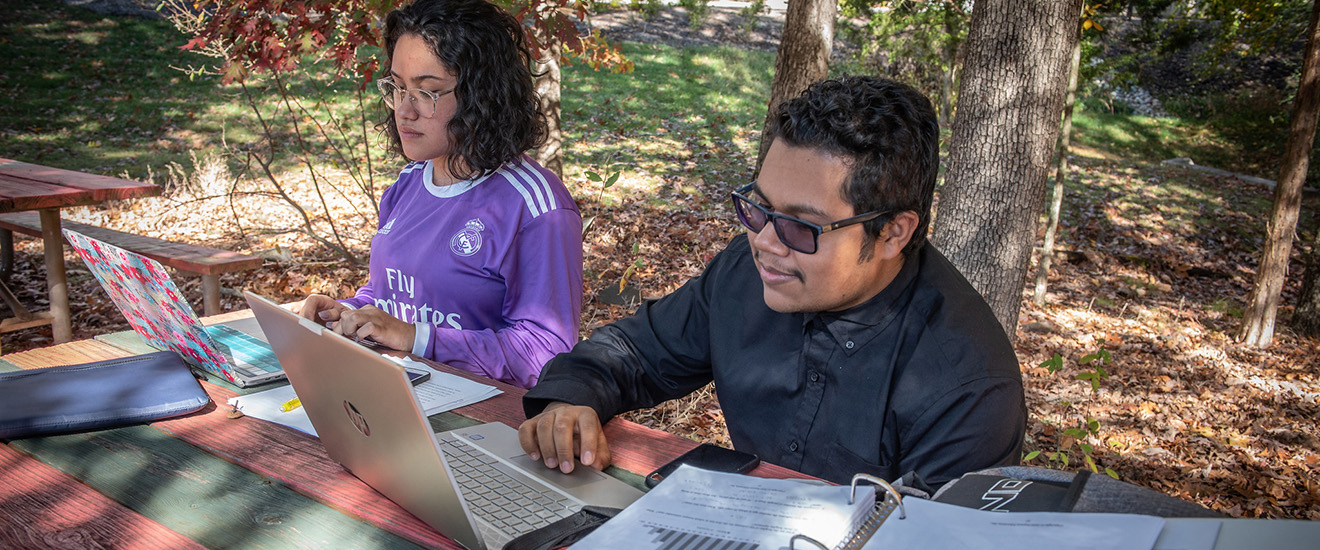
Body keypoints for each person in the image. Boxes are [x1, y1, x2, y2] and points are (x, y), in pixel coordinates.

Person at [518, 75, 1025, 489]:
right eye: (758, 207)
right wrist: (570, 401)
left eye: (800, 226)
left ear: (893, 232)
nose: (764, 240)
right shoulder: (751, 269)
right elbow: (632, 352)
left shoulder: (967, 388)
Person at [297, 0, 582, 389]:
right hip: (396, 396)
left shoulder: (535, 206)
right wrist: (347, 312)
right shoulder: (409, 183)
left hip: (487, 420)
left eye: (427, 91)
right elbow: (390, 296)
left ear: (482, 96)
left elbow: (545, 354)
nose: (404, 110)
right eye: (397, 87)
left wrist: (417, 338)